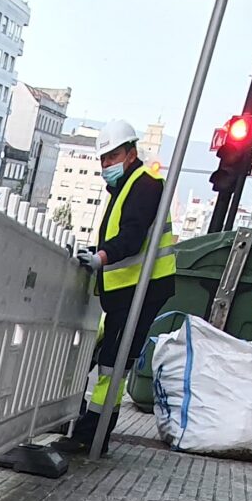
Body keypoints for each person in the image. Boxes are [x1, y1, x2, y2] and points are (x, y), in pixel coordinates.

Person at [61, 120, 178, 450]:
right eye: (103, 159)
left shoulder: (145, 185)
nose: (106, 165)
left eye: (112, 157)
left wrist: (101, 257)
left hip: (140, 288)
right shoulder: (129, 185)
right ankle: (92, 431)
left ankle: (92, 437)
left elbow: (132, 235)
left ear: (131, 153)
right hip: (129, 290)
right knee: (110, 358)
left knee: (113, 363)